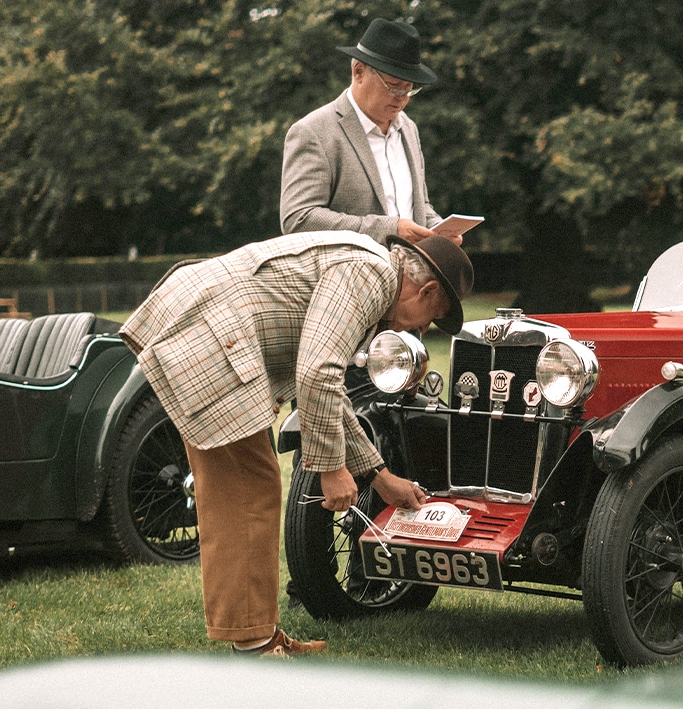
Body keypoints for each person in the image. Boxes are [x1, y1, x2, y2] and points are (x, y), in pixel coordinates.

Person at [119, 231, 474, 656]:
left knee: (236, 490)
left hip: (198, 318)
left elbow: (330, 391)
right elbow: (316, 374)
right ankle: (256, 644)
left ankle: (253, 637)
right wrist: (331, 469)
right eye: (428, 318)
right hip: (209, 327)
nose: (419, 329)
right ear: (426, 289)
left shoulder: (369, 268)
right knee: (250, 487)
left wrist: (378, 477)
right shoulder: (372, 274)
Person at [280, 18, 450, 246]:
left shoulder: (408, 128)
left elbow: (418, 206)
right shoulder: (313, 132)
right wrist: (388, 229)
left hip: (412, 277)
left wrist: (439, 230)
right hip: (349, 279)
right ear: (358, 72)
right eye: (394, 86)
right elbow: (298, 219)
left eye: (410, 90)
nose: (401, 98)